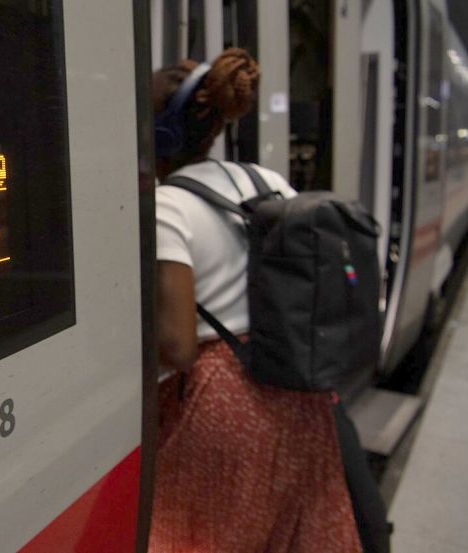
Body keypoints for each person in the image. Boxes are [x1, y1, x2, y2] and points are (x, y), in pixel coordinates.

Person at [150, 48, 363, 552]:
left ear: (159, 134)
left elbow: (178, 347)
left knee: (199, 535)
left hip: (223, 405)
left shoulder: (165, 208)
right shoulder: (267, 181)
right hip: (294, 385)